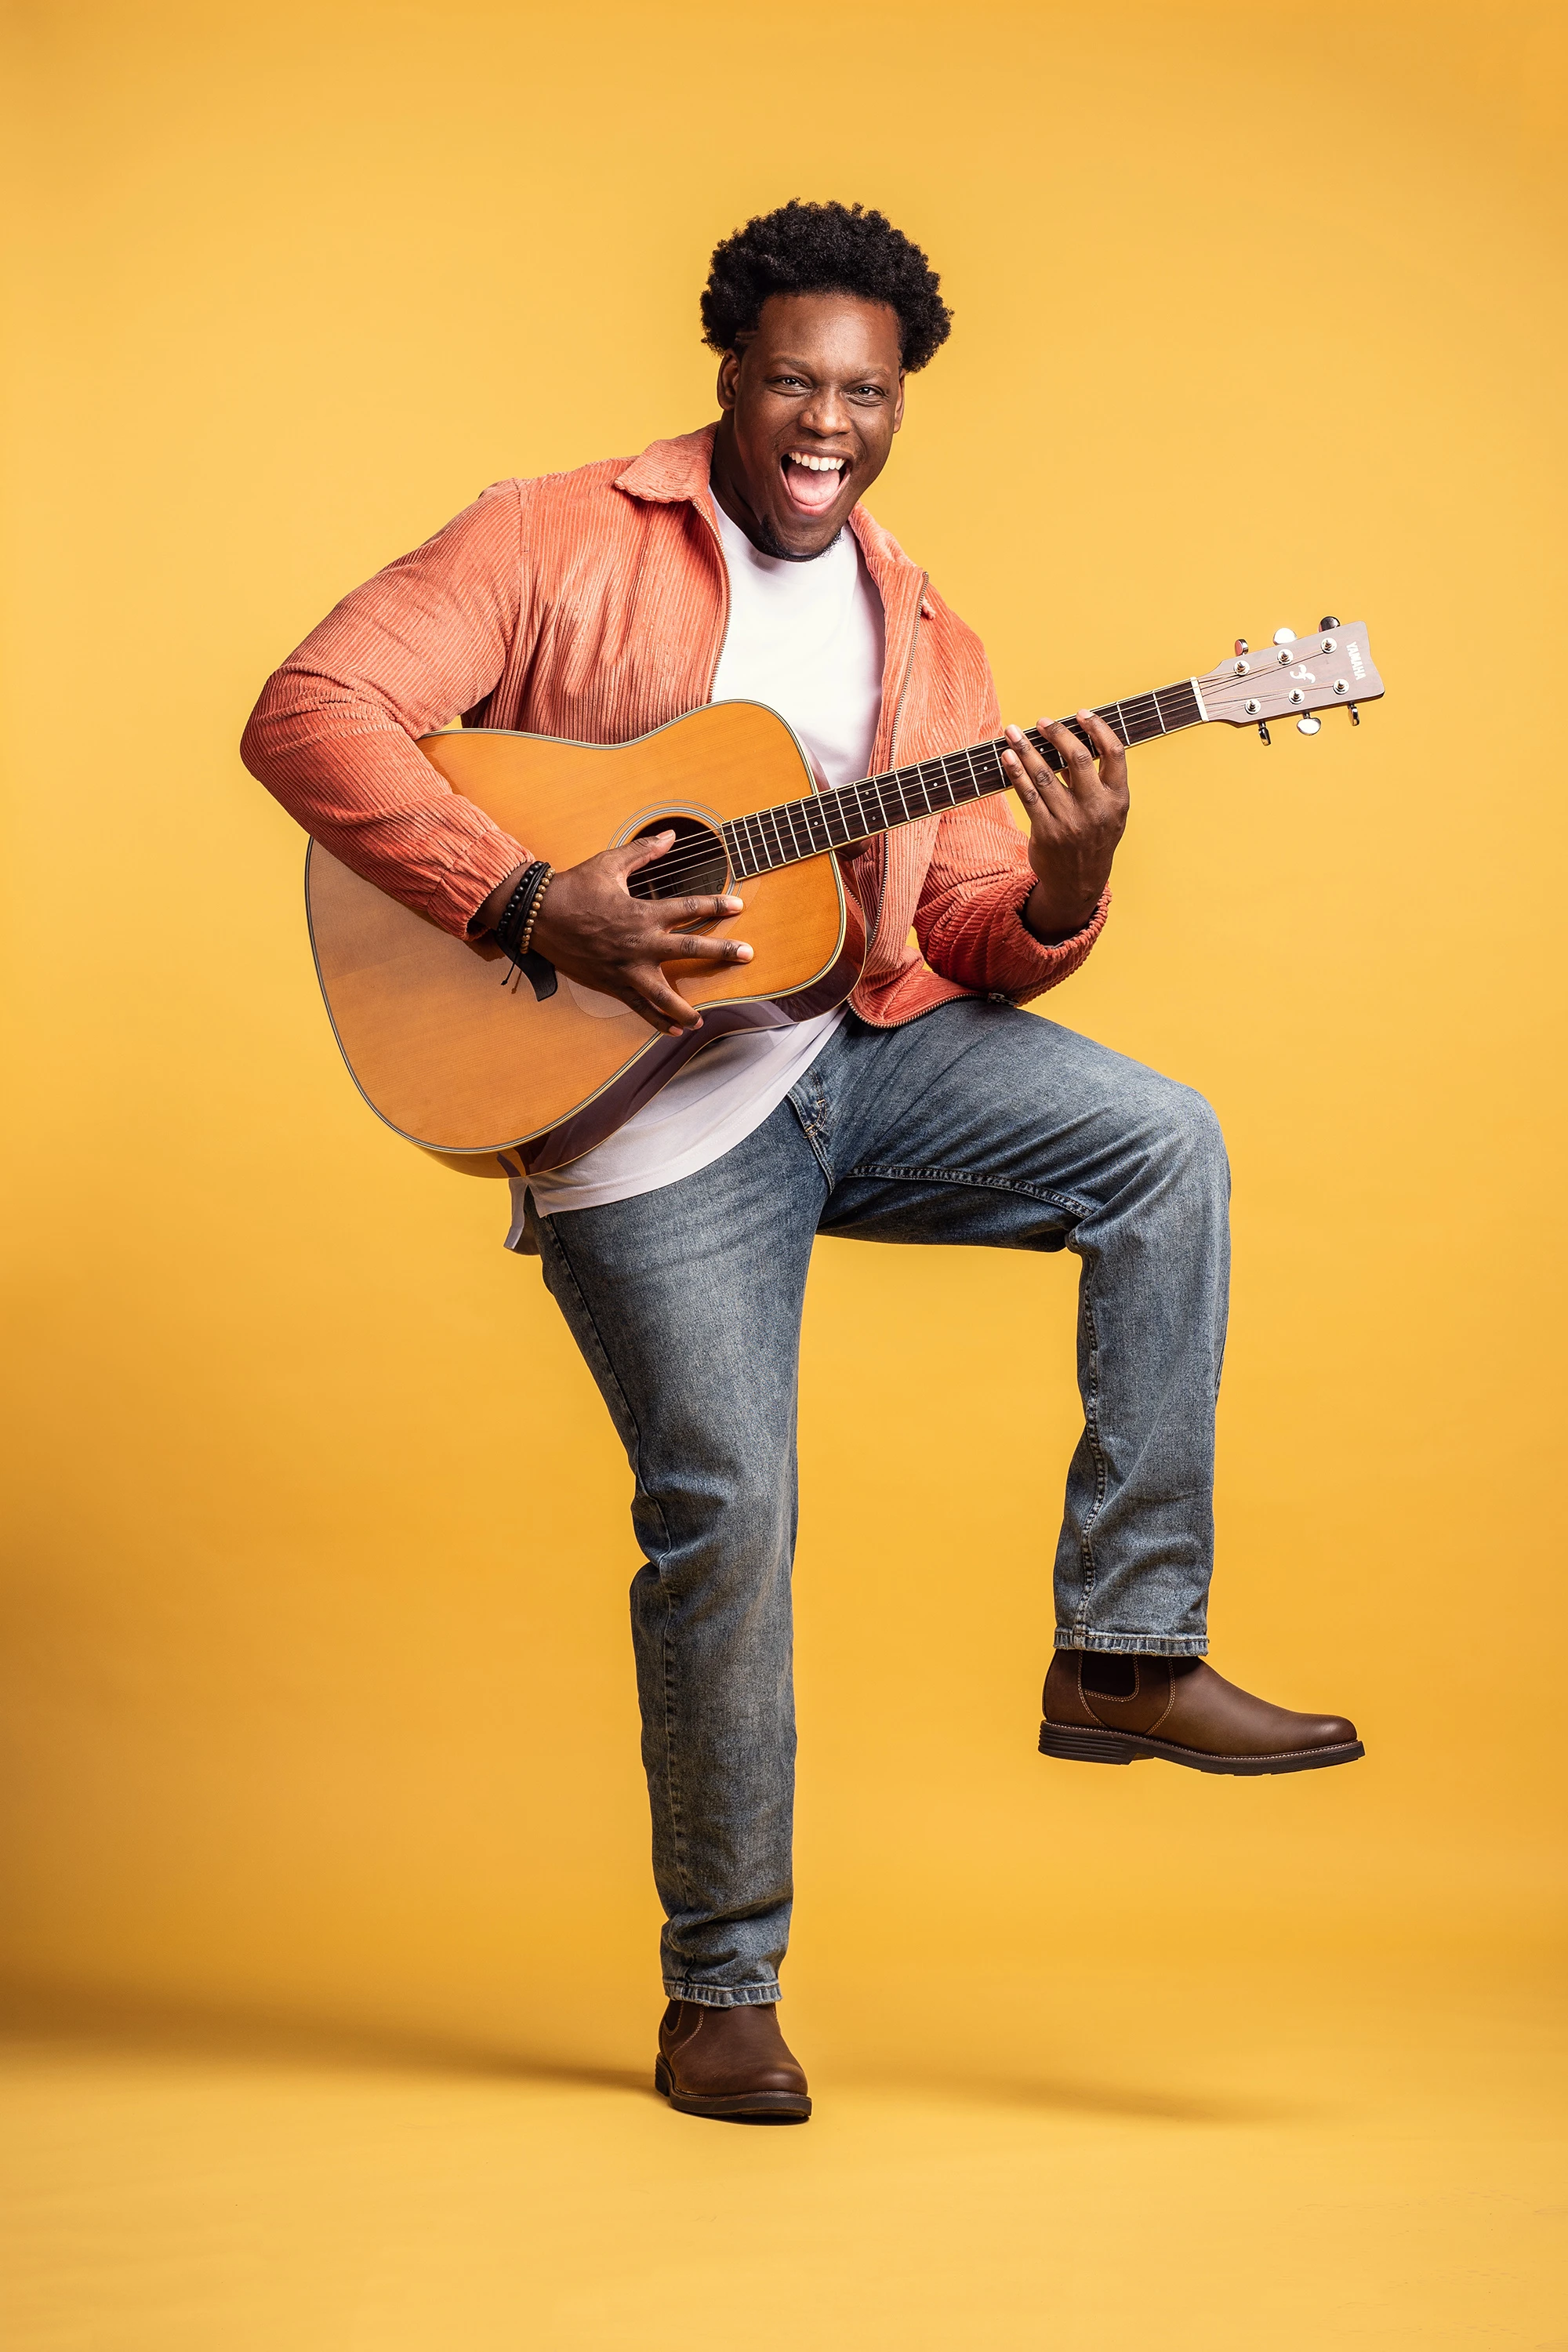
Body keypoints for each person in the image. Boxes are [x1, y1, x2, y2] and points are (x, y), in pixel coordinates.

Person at [242, 199, 1361, 2127]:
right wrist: (523, 896)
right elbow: (310, 712)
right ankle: (722, 1992)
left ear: (898, 401)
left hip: (851, 1064)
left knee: (1159, 1147)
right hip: (636, 1123)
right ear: (729, 380)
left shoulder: (923, 629)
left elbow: (973, 925)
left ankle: (1122, 1645)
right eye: (792, 381)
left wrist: (1073, 877)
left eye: (863, 392)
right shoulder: (553, 534)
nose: (825, 424)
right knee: (727, 1522)